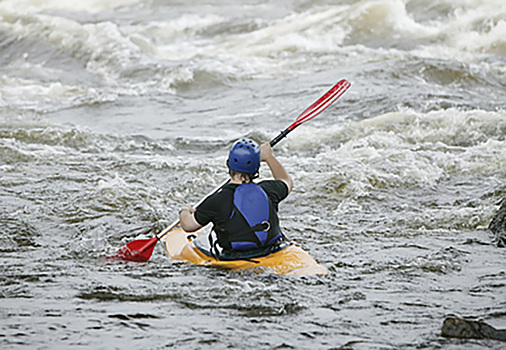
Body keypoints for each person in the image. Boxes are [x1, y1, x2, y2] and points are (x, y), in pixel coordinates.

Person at [179, 138, 293, 259]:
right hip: (272, 249)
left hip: (236, 258)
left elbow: (188, 226)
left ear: (228, 164)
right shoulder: (268, 189)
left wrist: (185, 211)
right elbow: (286, 181)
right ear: (256, 167)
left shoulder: (217, 200)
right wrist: (269, 157)